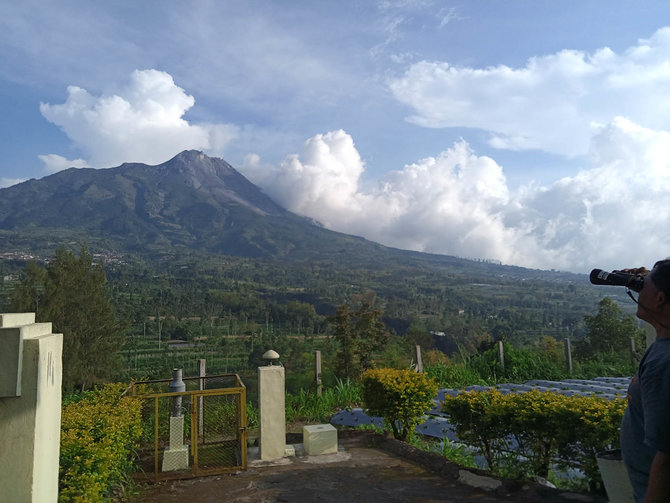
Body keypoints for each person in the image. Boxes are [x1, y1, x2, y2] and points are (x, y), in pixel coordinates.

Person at [619, 260, 670, 503]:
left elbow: (668, 458)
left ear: (659, 299)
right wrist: (651, 280)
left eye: (644, 286)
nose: (639, 290)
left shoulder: (664, 363)